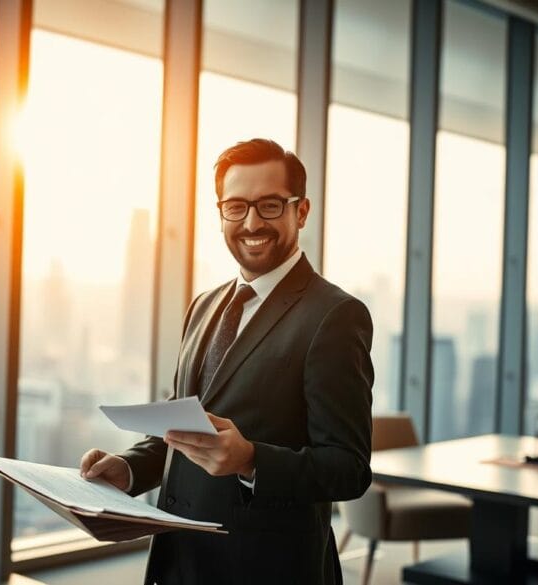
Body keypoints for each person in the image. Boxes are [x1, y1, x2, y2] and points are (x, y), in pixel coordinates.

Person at [79, 138, 374, 585]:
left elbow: (348, 469)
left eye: (270, 205)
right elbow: (182, 429)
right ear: (221, 213)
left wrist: (251, 460)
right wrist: (128, 468)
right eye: (236, 206)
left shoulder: (334, 316)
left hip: (270, 571)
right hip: (179, 565)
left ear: (302, 211)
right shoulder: (204, 305)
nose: (252, 222)